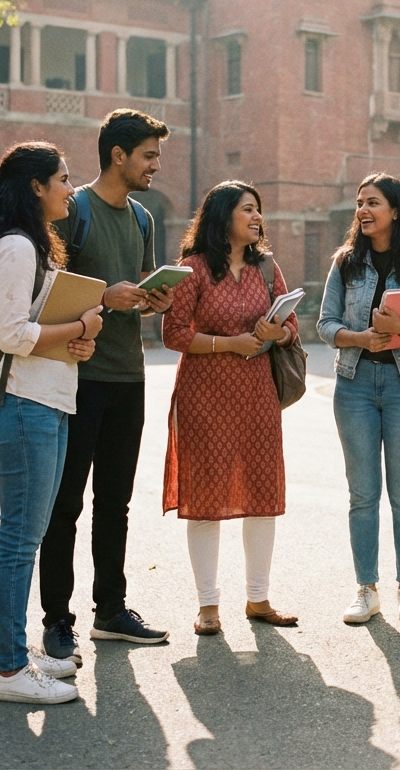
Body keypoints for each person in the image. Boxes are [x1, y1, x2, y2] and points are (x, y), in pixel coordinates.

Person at [0, 141, 103, 703]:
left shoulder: (28, 244)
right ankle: (12, 672)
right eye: (63, 179)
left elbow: (32, 335)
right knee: (20, 541)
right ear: (36, 187)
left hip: (42, 399)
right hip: (22, 405)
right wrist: (80, 326)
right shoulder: (17, 247)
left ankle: (12, 653)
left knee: (28, 536)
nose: (71, 188)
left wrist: (77, 342)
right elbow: (12, 335)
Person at [39, 109, 174, 663]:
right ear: (118, 155)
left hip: (129, 376)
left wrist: (152, 301)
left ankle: (111, 611)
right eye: (148, 156)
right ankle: (56, 621)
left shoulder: (142, 218)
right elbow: (47, 291)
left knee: (114, 502)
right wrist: (104, 299)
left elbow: (131, 294)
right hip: (79, 379)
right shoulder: (75, 212)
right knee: (64, 505)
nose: (155, 166)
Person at [162, 181, 300, 635]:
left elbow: (292, 326)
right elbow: (175, 334)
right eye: (248, 209)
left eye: (259, 210)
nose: (258, 217)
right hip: (205, 394)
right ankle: (208, 605)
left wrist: (274, 331)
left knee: (262, 491)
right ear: (223, 217)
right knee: (205, 495)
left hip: (258, 392)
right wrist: (229, 343)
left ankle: (258, 598)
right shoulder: (193, 268)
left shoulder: (266, 268)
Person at [318, 173, 400, 625]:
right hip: (353, 385)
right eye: (359, 203)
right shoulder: (346, 263)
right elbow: (326, 324)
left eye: (372, 202)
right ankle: (366, 588)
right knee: (362, 494)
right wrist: (360, 338)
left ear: (396, 210)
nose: (363, 211)